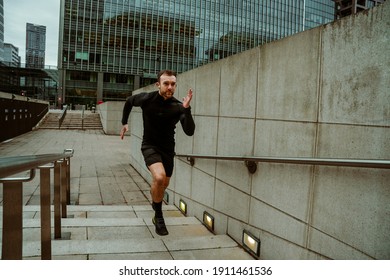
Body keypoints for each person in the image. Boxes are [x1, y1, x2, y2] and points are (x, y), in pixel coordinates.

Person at [120, 69, 195, 235]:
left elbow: (189, 131)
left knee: (163, 184)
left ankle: (156, 201)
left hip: (168, 149)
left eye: (173, 84)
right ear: (158, 84)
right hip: (149, 146)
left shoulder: (178, 106)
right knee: (159, 177)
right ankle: (158, 216)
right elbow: (129, 101)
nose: (170, 87)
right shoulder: (147, 99)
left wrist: (187, 109)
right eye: (166, 83)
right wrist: (125, 122)